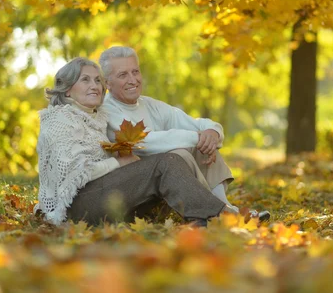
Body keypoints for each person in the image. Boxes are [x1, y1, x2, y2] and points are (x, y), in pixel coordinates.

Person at [35, 57, 227, 226]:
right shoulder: (60, 119)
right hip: (77, 206)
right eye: (85, 80)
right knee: (166, 163)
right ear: (67, 90)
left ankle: (205, 220)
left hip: (100, 195)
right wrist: (119, 162)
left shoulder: (95, 117)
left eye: (97, 80)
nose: (94, 86)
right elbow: (76, 173)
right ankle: (220, 216)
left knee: (172, 159)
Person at [98, 46, 270, 221]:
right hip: (134, 194)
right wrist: (197, 138)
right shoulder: (106, 111)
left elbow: (196, 124)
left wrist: (212, 133)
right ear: (107, 83)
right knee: (179, 154)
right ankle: (217, 213)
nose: (133, 79)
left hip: (169, 187)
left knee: (205, 145)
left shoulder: (150, 105)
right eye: (123, 75)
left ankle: (225, 209)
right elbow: (145, 143)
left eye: (135, 71)